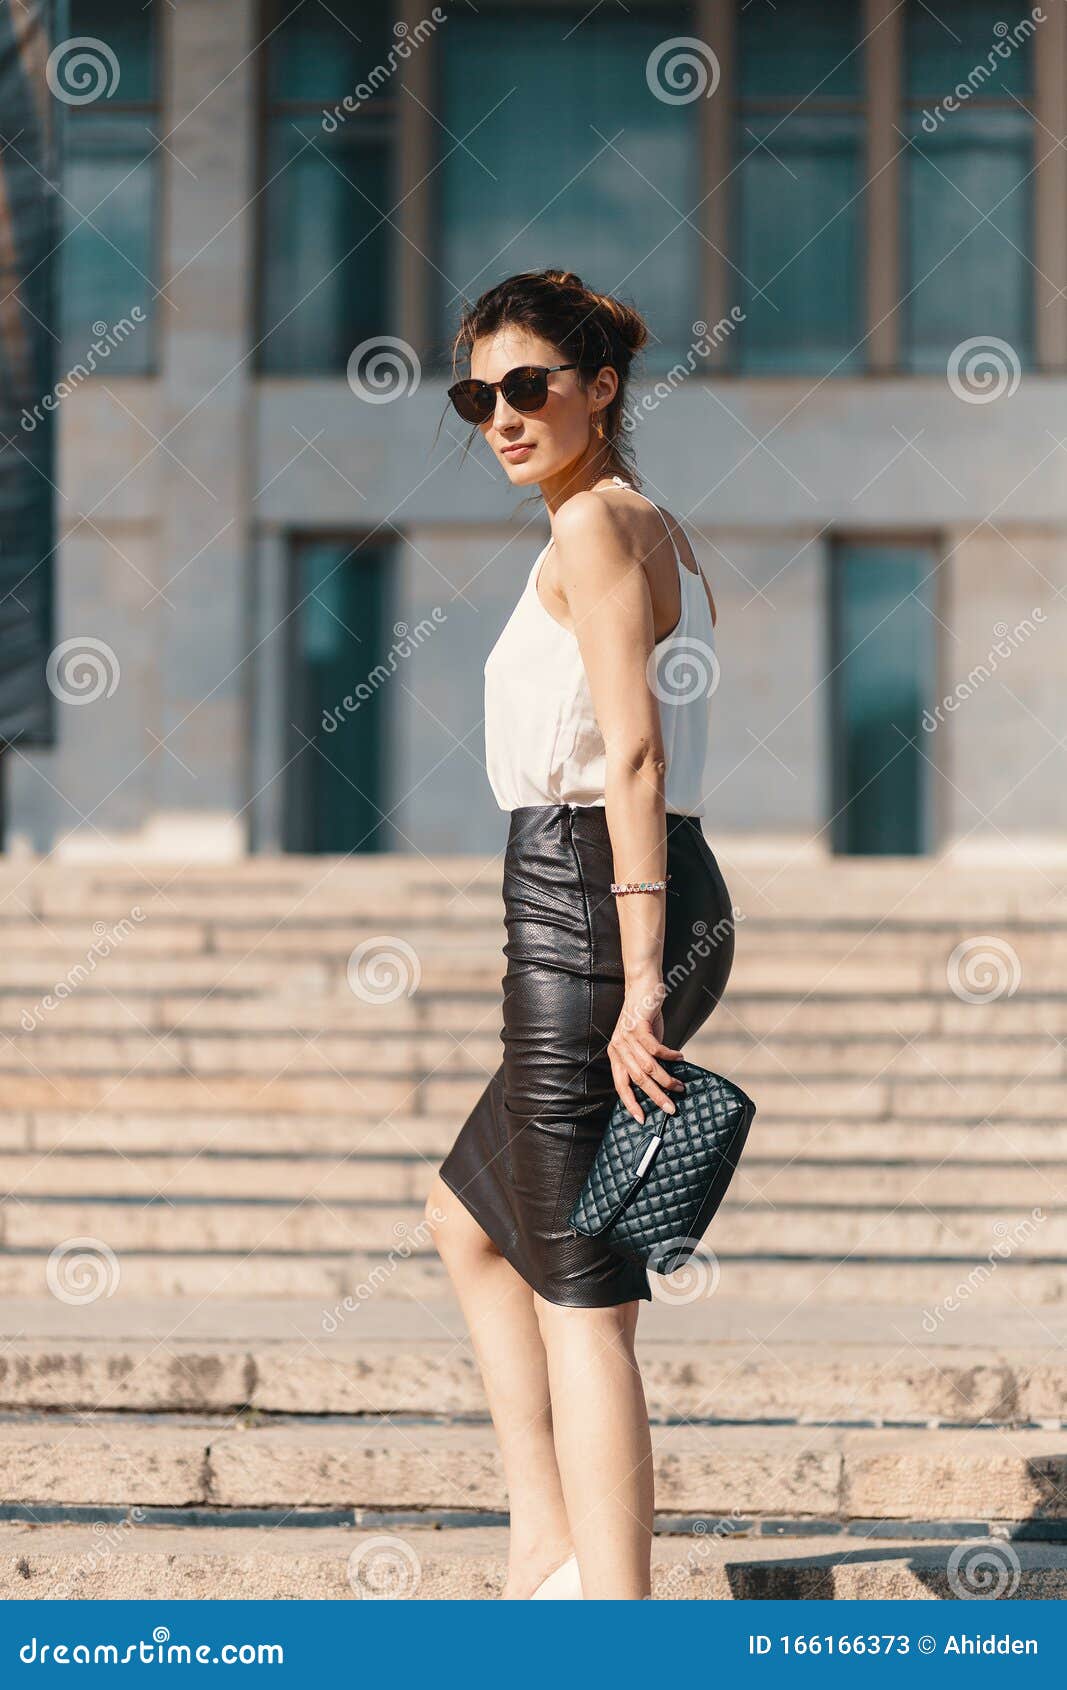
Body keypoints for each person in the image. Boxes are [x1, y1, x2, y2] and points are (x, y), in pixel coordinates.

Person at [426, 269, 736, 1600]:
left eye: (529, 386)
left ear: (600, 387)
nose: (502, 414)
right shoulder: (617, 522)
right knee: (462, 1216)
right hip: (585, 900)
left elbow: (638, 755)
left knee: (583, 1286)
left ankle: (610, 1616)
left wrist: (638, 981)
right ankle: (543, 1544)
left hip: (596, 906)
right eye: (477, 394)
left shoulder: (599, 530)